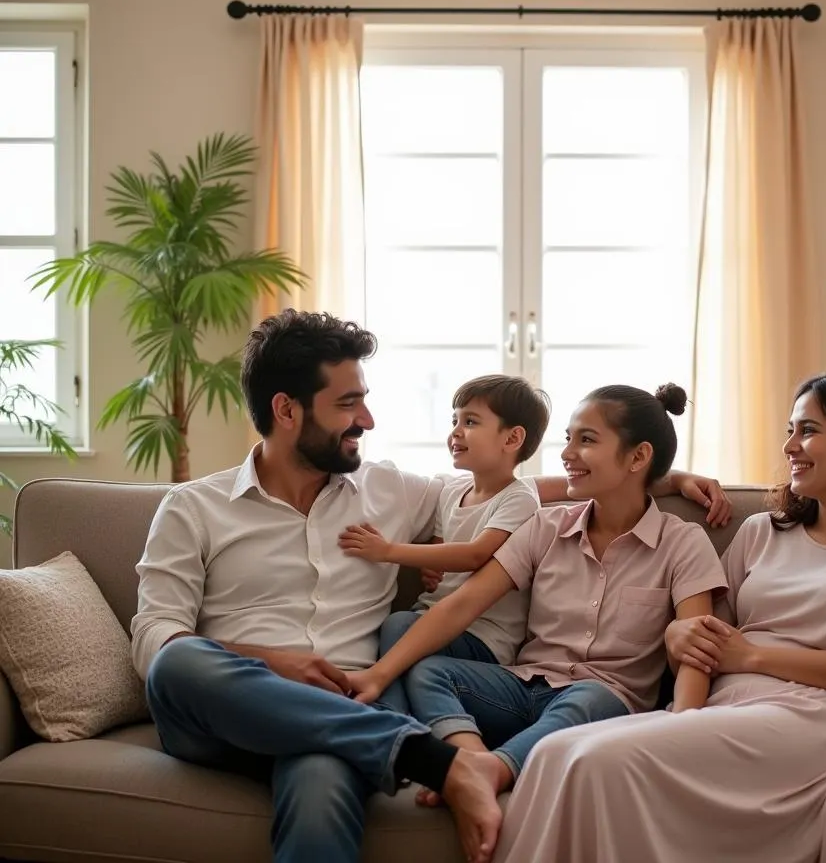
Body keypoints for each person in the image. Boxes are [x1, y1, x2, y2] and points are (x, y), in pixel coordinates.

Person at [131, 309, 730, 863]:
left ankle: (403, 751)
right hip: (224, 715)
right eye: (349, 404)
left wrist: (659, 474)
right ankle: (433, 759)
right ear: (287, 410)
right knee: (178, 661)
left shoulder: (390, 489)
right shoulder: (193, 507)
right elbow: (155, 636)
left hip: (343, 719)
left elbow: (504, 485)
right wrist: (269, 664)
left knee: (320, 781)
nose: (367, 420)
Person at [490, 371, 826, 863]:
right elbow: (707, 634)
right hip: (727, 703)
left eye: (808, 430)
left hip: (815, 715)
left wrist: (757, 656)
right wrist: (679, 643)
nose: (789, 446)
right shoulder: (762, 531)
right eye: (789, 430)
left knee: (597, 762)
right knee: (551, 753)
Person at [347, 383, 727, 808]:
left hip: (602, 701)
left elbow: (697, 646)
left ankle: (498, 767)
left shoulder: (683, 543)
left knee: (592, 696)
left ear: (638, 457)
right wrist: (379, 674)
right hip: (522, 685)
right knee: (429, 671)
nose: (566, 452)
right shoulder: (546, 527)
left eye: (586, 440)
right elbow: (462, 604)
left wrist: (680, 733)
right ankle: (470, 762)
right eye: (568, 438)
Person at [339, 375, 551, 692]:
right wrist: (431, 565)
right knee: (397, 634)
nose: (455, 432)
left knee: (398, 626)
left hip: (484, 637)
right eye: (455, 420)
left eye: (471, 421)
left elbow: (475, 554)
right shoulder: (452, 490)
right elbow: (442, 547)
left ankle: (382, 705)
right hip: (431, 620)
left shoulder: (519, 498)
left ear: (511, 439)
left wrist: (386, 551)